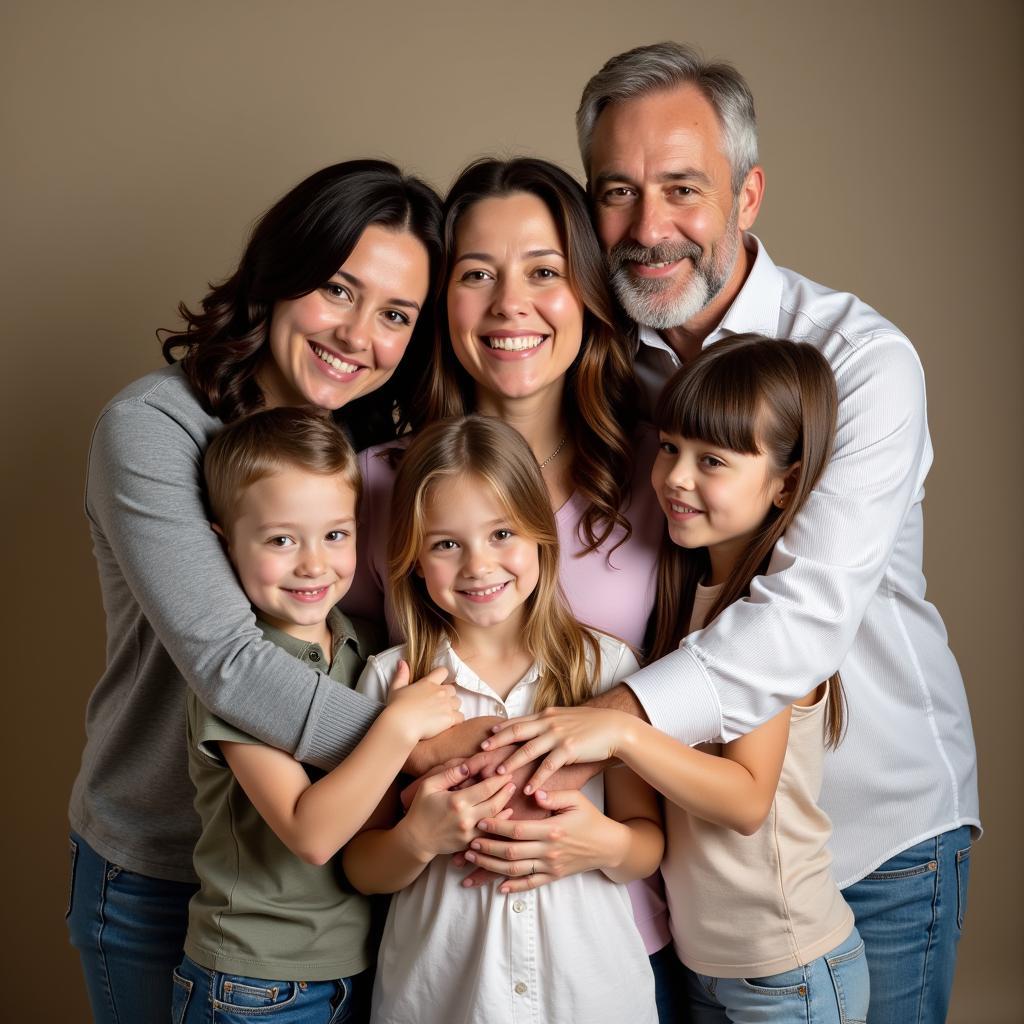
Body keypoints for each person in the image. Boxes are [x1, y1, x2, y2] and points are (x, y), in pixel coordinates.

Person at [481, 42, 979, 1022]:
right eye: (616, 192)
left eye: (681, 188)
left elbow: (796, 618)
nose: (648, 227)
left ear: (747, 196)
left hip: (870, 837)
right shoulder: (606, 363)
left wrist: (610, 720)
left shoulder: (861, 362)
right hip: (695, 871)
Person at [67, 160, 443, 1024]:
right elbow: (231, 665)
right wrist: (421, 750)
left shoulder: (374, 452)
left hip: (324, 889)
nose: (358, 335)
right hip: (161, 869)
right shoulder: (154, 429)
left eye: (395, 315)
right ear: (277, 276)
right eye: (337, 290)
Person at [341, 157, 682, 1014]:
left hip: (610, 950)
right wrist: (412, 754)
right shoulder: (373, 486)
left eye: (544, 271)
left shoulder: (663, 475)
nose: (508, 304)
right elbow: (314, 683)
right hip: (449, 966)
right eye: (475, 275)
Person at [488, 336, 871, 1022]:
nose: (675, 477)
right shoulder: (689, 594)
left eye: (713, 461)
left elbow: (746, 800)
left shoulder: (766, 625)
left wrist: (623, 733)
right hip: (710, 964)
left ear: (785, 482)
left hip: (785, 970)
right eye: (669, 447)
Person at [341, 415, 662, 1024]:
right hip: (444, 1001)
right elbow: (360, 865)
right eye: (445, 544)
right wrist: (418, 839)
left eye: (501, 534)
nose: (478, 566)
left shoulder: (607, 668)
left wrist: (602, 843)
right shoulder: (392, 684)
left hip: (591, 998)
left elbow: (646, 843)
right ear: (413, 557)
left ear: (541, 535)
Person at [171, 407, 462, 1023]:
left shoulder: (357, 640)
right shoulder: (237, 678)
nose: (313, 564)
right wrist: (399, 726)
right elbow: (312, 834)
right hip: (254, 980)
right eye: (281, 539)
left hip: (357, 963)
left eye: (335, 535)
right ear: (225, 543)